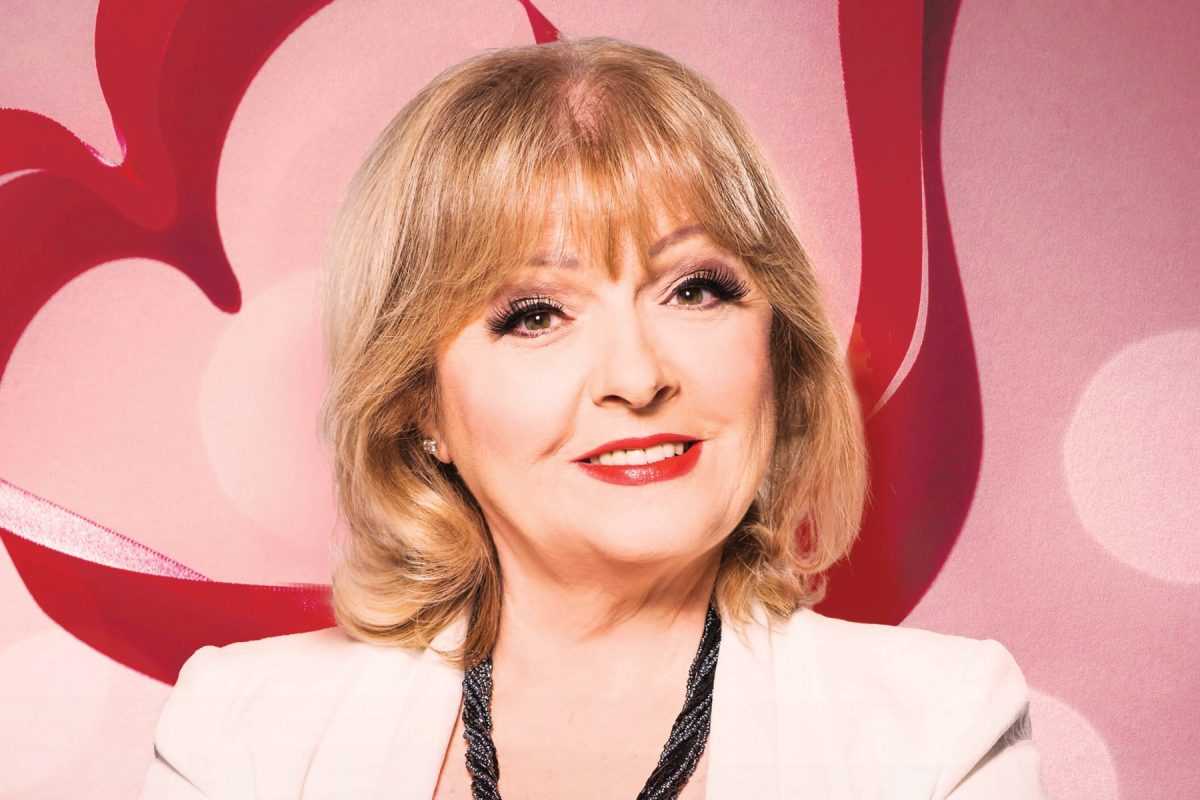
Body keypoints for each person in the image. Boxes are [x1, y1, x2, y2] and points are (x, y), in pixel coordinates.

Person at [140, 35, 1047, 799]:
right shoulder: (239, 738)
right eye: (536, 314)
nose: (637, 376)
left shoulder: (938, 731)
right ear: (419, 404)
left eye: (695, 289)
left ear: (776, 347)